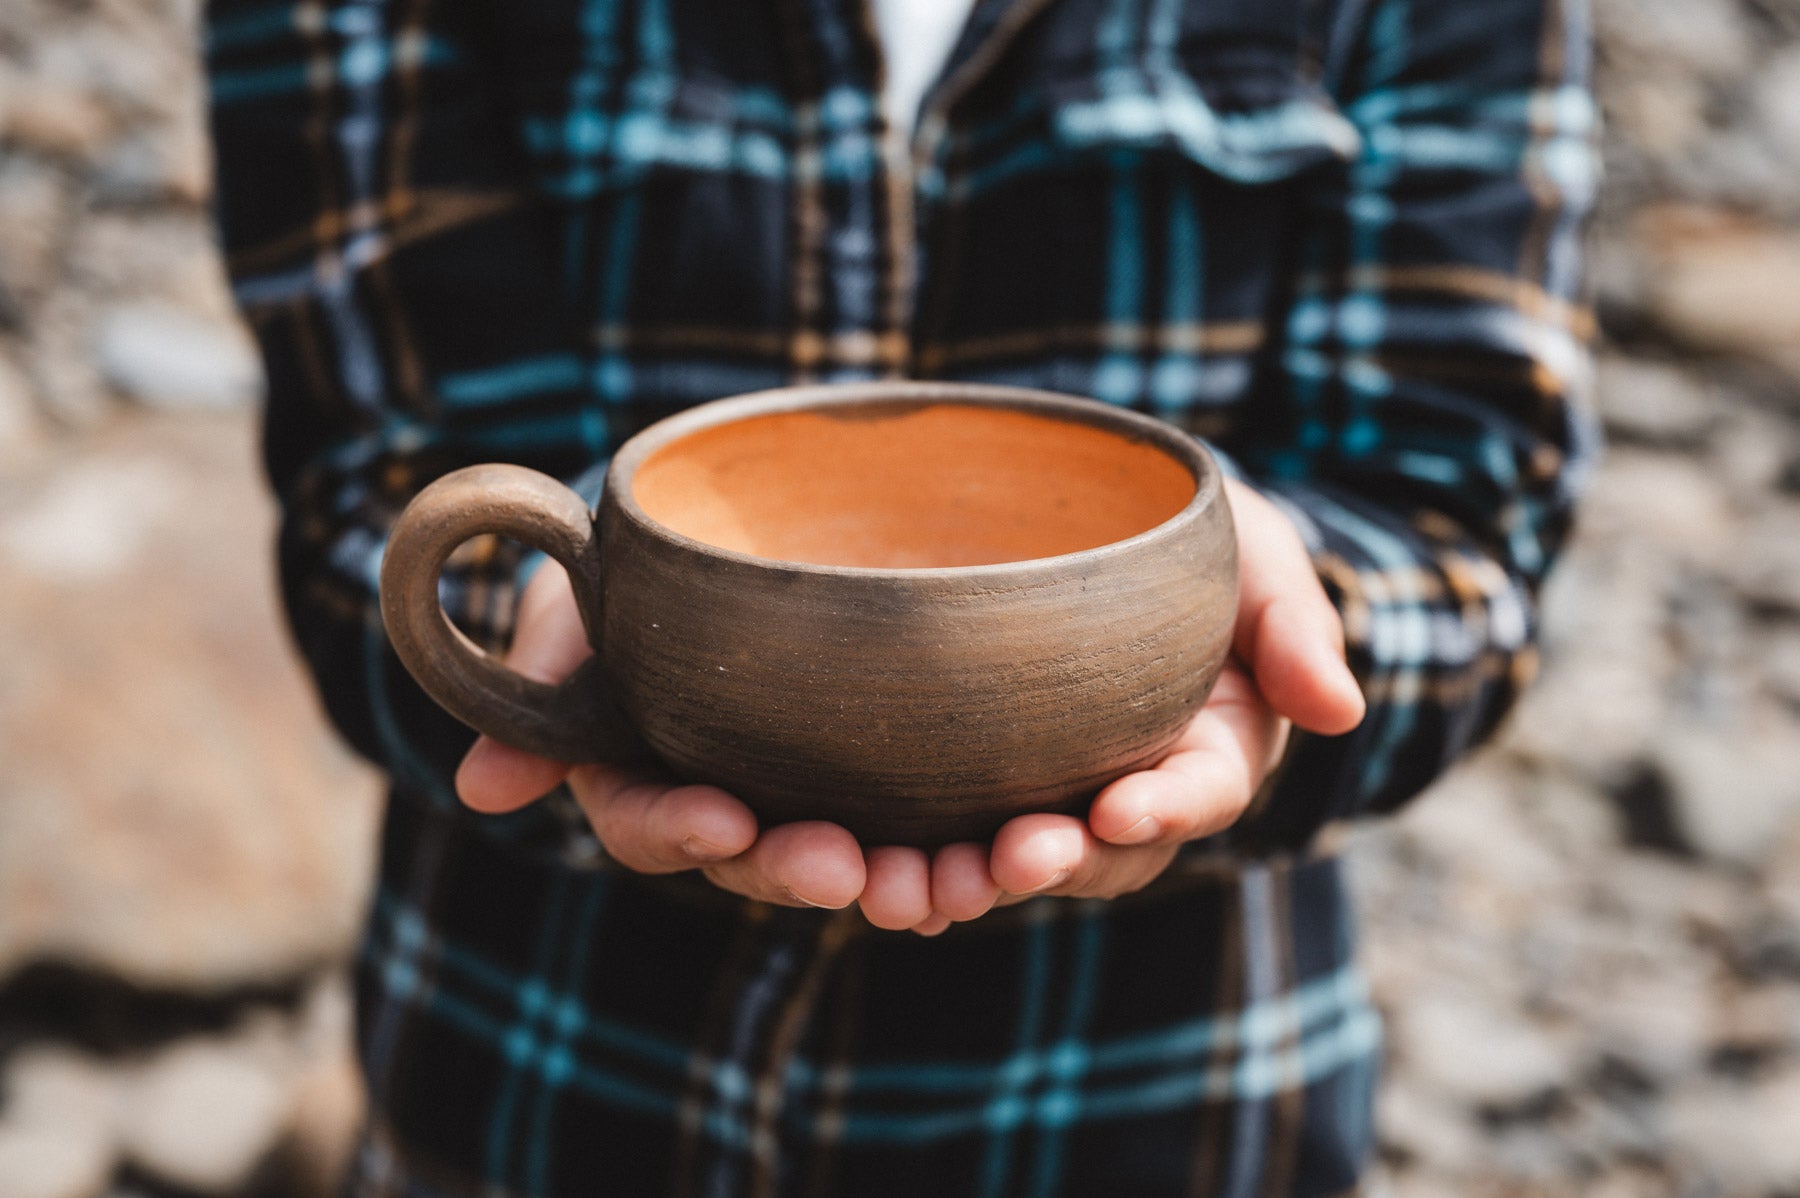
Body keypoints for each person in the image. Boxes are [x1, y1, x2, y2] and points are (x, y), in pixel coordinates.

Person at [204, 0, 1596, 1191]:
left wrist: (1283, 631)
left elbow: (1459, 524)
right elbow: (365, 494)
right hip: (532, 1095)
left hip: (1158, 1109)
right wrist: (552, 647)